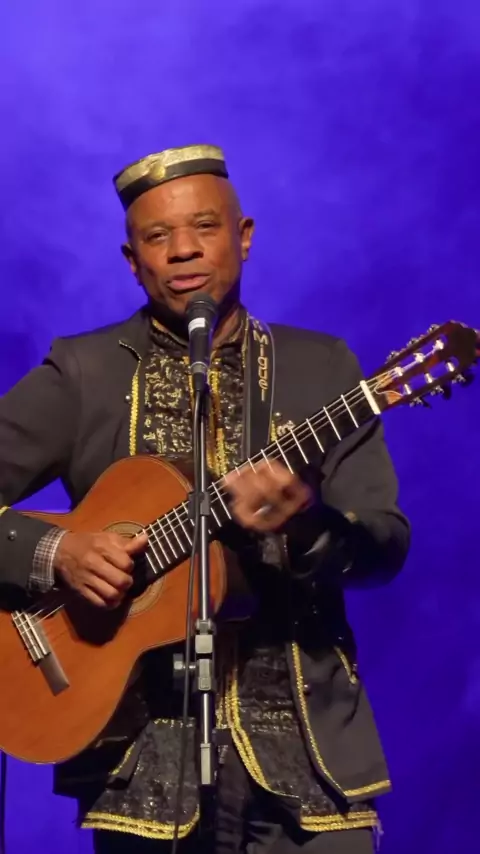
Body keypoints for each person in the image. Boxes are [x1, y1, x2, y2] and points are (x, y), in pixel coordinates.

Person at [0, 145, 410, 854]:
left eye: (205, 227)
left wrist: (307, 523)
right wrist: (56, 552)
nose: (183, 250)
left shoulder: (323, 367)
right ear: (133, 261)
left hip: (311, 755)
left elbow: (385, 548)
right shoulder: (85, 371)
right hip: (140, 766)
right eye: (158, 236)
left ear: (243, 237)